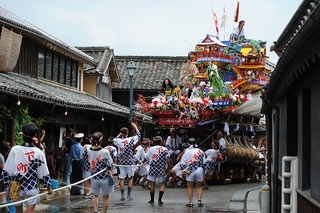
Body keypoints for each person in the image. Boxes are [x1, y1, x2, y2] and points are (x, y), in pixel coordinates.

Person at [0, 122, 52, 213]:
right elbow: (43, 171)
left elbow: (8, 170)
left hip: (15, 184)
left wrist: (8, 186)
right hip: (31, 185)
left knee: (18, 211)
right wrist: (48, 186)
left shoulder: (14, 150)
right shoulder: (38, 152)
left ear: (22, 134)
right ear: (35, 135)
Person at [87, 132, 114, 213]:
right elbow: (110, 164)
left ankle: (95, 211)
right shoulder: (105, 151)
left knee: (95, 195)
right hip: (104, 177)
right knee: (105, 197)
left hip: (94, 176)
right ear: (101, 140)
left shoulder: (89, 150)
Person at [113, 123, 141, 201]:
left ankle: (122, 195)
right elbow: (139, 135)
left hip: (121, 161)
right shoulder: (130, 139)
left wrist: (119, 134)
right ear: (127, 133)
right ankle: (129, 194)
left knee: (122, 178)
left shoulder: (118, 141)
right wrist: (135, 127)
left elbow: (114, 139)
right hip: (129, 161)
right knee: (130, 177)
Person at [179, 137, 205, 207]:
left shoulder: (187, 152)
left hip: (190, 170)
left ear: (188, 144)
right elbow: (204, 162)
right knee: (199, 186)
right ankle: (199, 201)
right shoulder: (200, 151)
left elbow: (183, 163)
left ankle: (190, 202)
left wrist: (182, 171)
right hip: (199, 169)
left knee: (190, 186)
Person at [145, 136, 170, 204]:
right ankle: (160, 200)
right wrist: (168, 168)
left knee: (152, 184)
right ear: (161, 142)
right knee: (162, 184)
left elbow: (146, 158)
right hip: (161, 168)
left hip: (152, 168)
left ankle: (152, 200)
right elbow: (168, 160)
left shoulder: (150, 149)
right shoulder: (165, 149)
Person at [82, 134, 93, 199]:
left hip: (85, 164)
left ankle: (87, 192)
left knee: (87, 179)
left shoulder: (84, 146)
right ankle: (86, 193)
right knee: (87, 180)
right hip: (89, 165)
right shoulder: (89, 147)